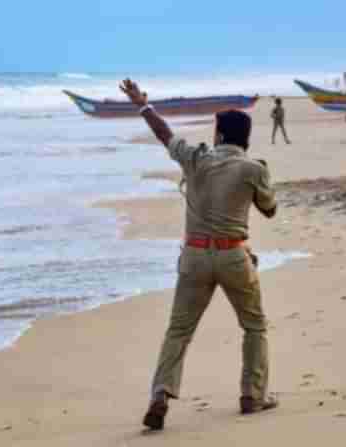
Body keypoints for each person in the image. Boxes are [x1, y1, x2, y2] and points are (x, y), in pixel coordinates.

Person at [118, 78, 279, 431]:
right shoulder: (254, 169)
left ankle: (161, 394)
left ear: (219, 135)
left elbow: (164, 134)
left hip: (193, 256)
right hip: (234, 256)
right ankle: (252, 395)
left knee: (178, 330)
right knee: (253, 326)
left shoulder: (195, 158)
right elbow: (270, 209)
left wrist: (142, 104)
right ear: (246, 138)